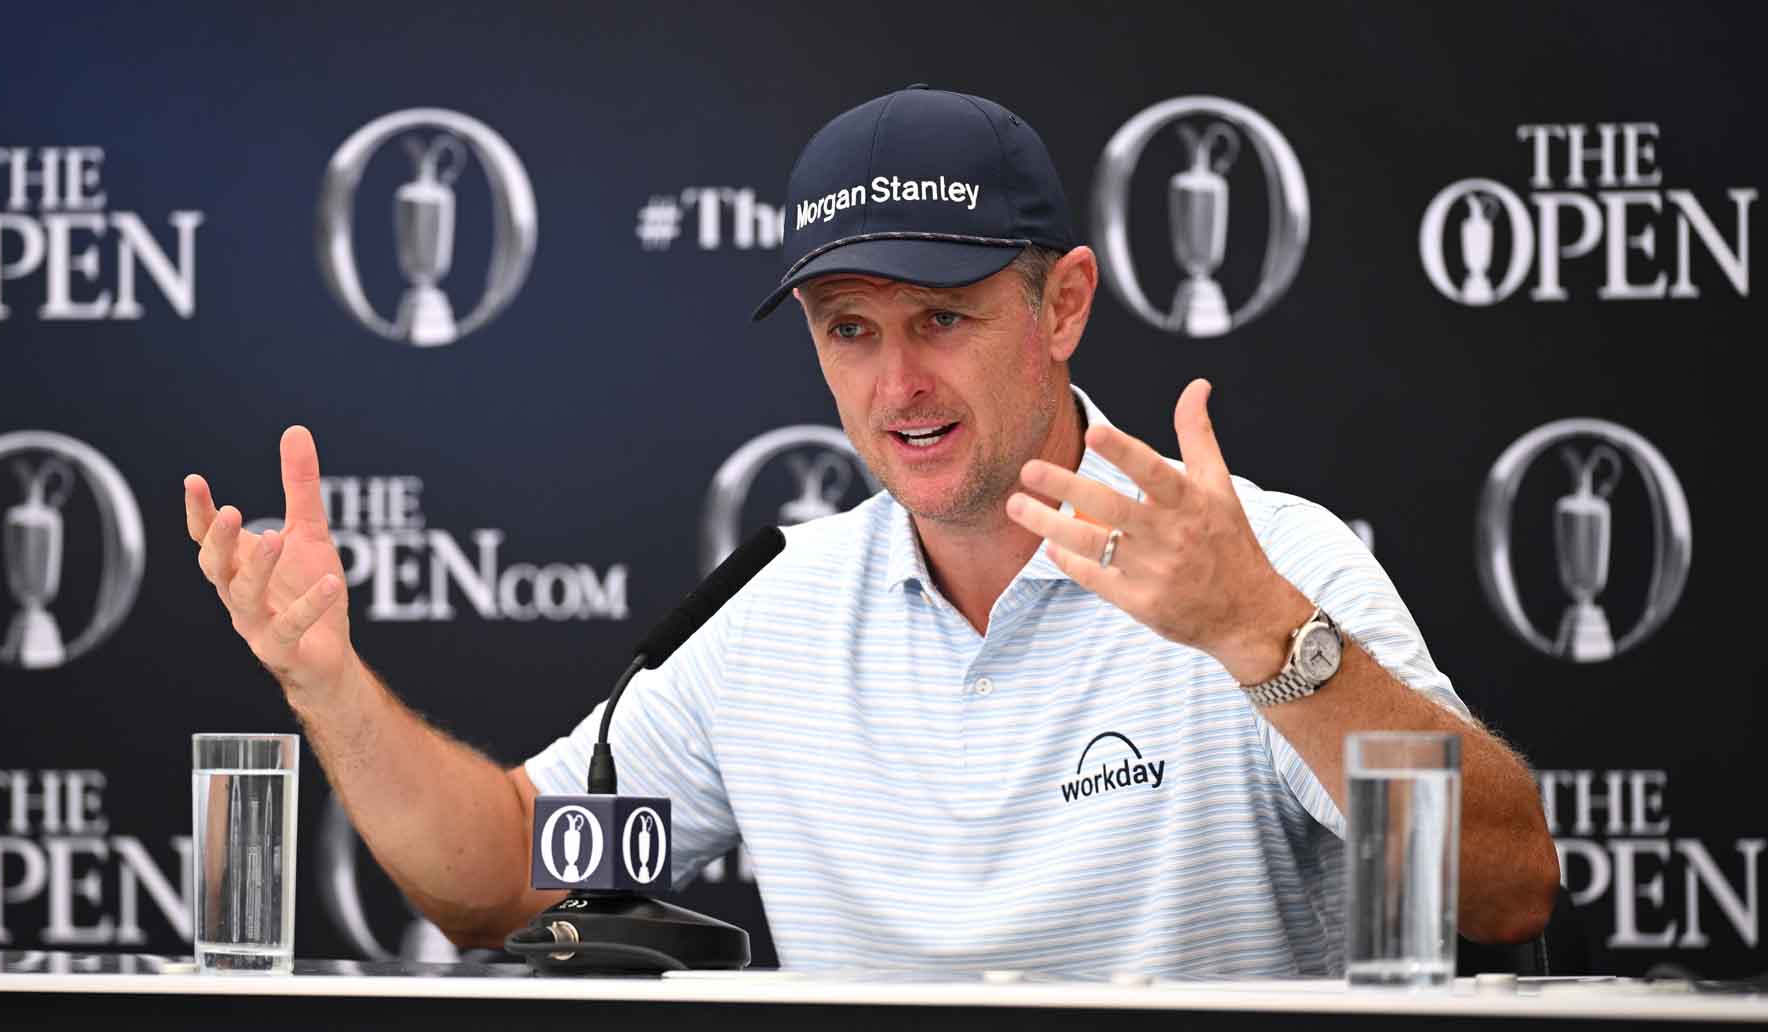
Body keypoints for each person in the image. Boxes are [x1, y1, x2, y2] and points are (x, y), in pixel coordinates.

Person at [183, 86, 1557, 975]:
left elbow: (1505, 892)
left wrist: (1261, 641)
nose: (896, 387)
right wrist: (328, 685)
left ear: (1063, 306)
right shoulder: (772, 623)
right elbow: (498, 879)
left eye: (943, 320)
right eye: (850, 331)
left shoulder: (1266, 567)